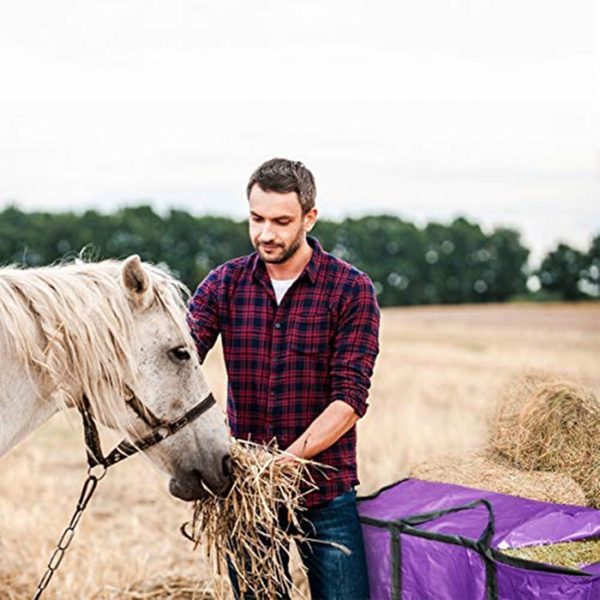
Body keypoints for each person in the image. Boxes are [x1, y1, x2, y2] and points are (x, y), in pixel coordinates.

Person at [187, 158, 380, 599]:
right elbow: (181, 357)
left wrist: (282, 466)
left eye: (281, 221)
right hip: (248, 501)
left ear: (309, 218)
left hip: (326, 492)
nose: (266, 234)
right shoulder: (224, 284)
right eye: (256, 219)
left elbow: (349, 399)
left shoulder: (351, 290)